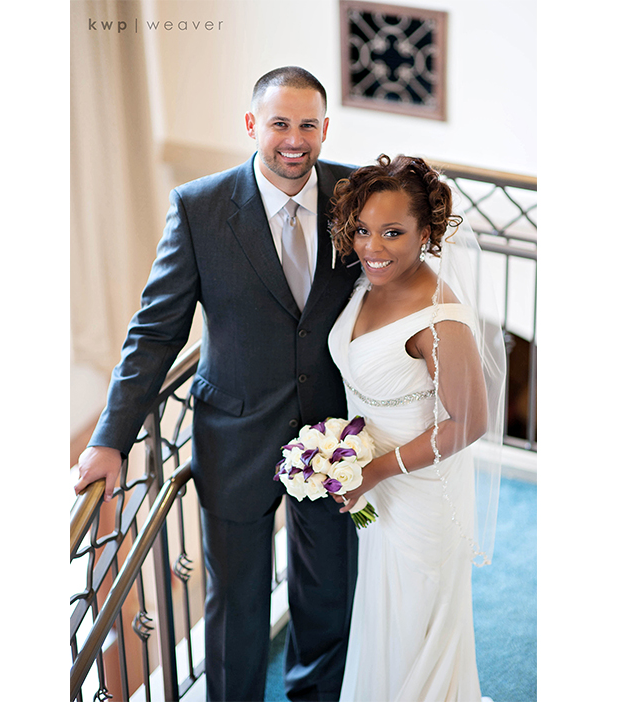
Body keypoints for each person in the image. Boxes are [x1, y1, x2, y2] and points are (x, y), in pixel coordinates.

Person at [73, 67, 362, 701]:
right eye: (279, 124)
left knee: (330, 593)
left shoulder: (356, 194)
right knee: (235, 605)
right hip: (234, 437)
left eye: (307, 125)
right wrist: (109, 439)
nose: (294, 140)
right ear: (252, 124)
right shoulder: (199, 207)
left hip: (334, 433)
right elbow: (155, 333)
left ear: (325, 127)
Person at [326, 155, 506, 701]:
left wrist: (375, 470)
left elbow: (469, 423)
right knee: (383, 615)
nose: (372, 247)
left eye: (392, 232)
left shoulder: (440, 318)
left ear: (425, 233)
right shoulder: (368, 283)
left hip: (420, 490)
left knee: (414, 624)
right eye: (363, 229)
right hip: (377, 485)